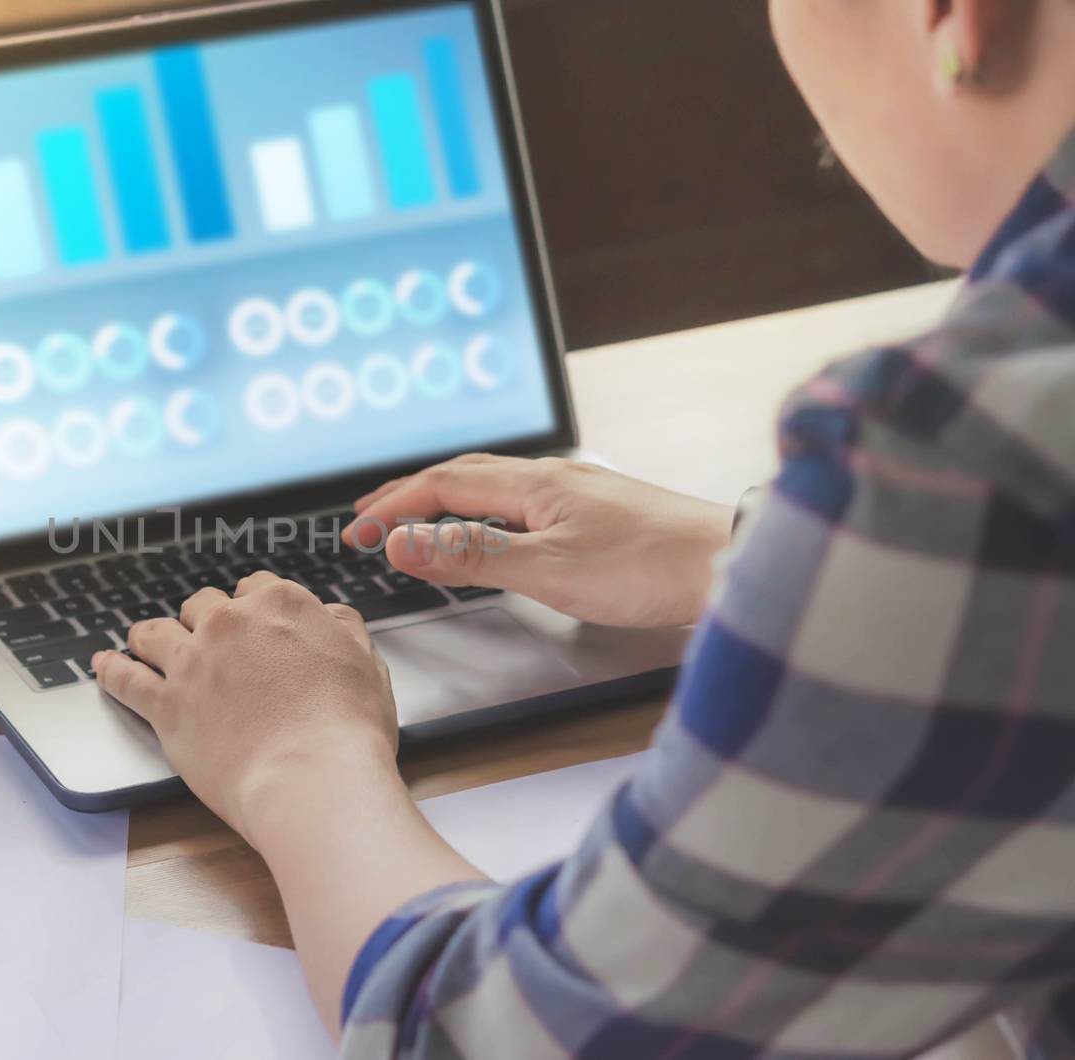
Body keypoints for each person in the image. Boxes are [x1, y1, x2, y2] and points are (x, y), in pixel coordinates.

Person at [93, 0, 1075, 1054]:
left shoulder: (972, 457)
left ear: (949, 14)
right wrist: (735, 553)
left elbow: (493, 1036)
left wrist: (296, 754)